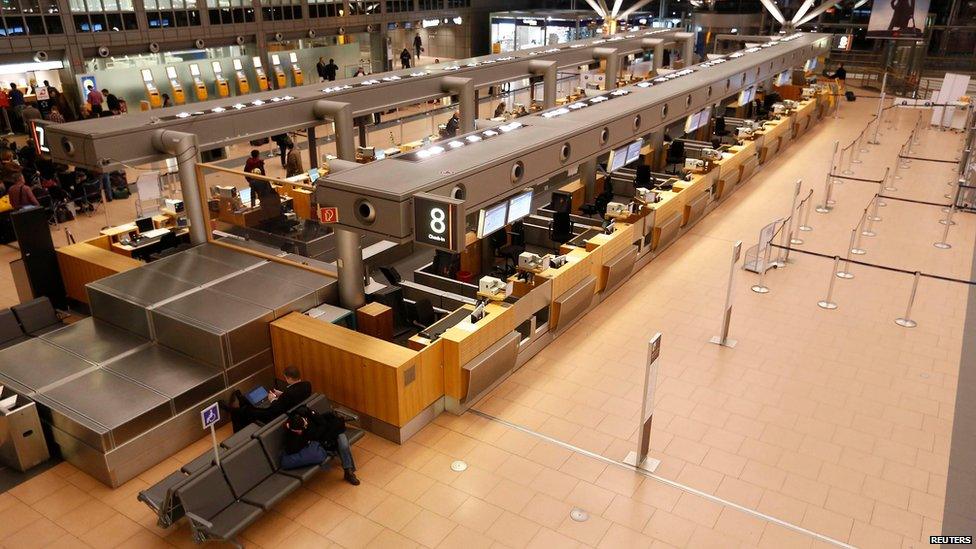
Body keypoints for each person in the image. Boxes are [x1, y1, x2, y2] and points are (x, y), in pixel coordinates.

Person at [283, 407, 360, 485]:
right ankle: (348, 470)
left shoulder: (307, 413)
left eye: (305, 426)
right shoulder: (292, 430)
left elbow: (323, 423)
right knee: (338, 444)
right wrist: (303, 437)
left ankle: (349, 472)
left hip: (332, 431)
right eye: (299, 431)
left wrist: (315, 434)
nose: (301, 431)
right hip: (322, 440)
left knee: (343, 444)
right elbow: (292, 448)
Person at [226, 365, 312, 431]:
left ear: (289, 378)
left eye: (285, 378)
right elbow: (294, 396)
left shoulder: (289, 393)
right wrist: (282, 394)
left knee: (247, 410)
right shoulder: (307, 385)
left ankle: (230, 409)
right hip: (291, 410)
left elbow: (276, 408)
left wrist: (272, 399)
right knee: (253, 405)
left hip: (275, 415)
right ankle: (241, 399)